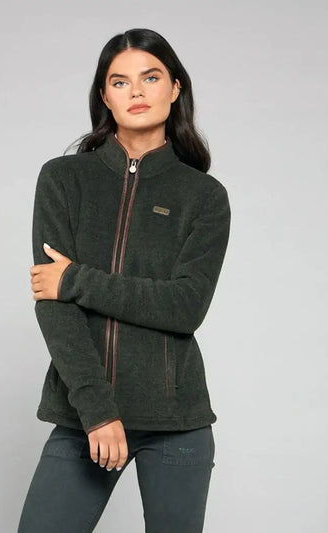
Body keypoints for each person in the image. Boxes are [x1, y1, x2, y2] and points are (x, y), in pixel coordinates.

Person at [18, 28, 231, 533]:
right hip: (83, 415)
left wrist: (75, 279)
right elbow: (53, 304)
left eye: (150, 77)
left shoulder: (203, 196)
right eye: (120, 82)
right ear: (105, 96)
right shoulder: (63, 179)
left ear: (175, 88)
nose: (136, 91)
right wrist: (97, 410)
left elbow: (185, 307)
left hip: (176, 422)